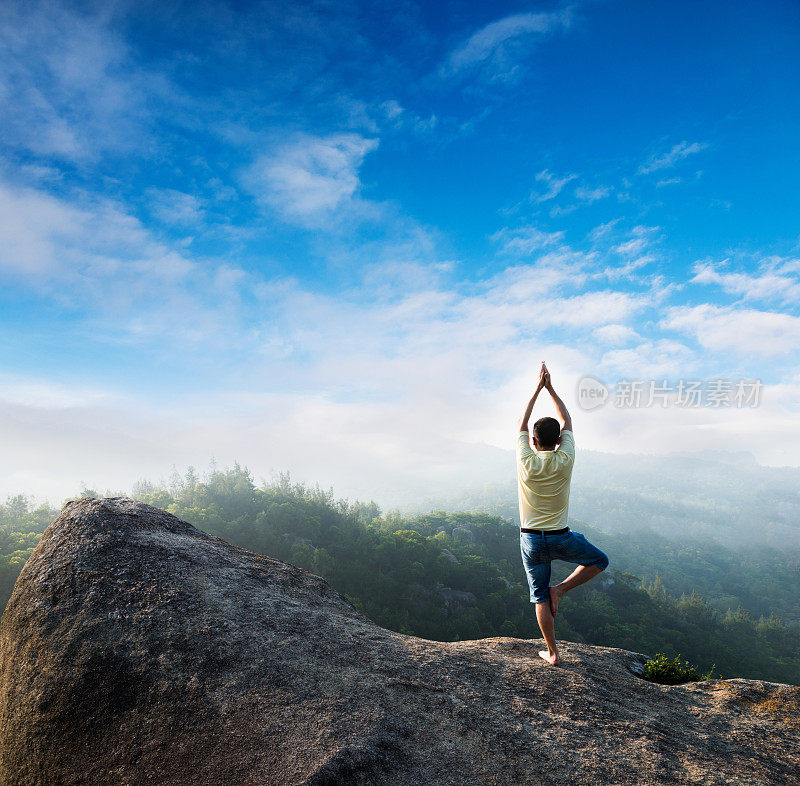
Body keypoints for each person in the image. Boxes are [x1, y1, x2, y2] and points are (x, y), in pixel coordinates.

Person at [516, 361, 609, 666]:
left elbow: (522, 422)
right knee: (599, 560)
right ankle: (562, 589)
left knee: (539, 596)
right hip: (561, 537)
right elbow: (566, 418)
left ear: (533, 441)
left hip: (531, 540)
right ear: (558, 441)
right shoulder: (565, 457)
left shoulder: (526, 459)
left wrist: (536, 388)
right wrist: (550, 387)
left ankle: (553, 653)